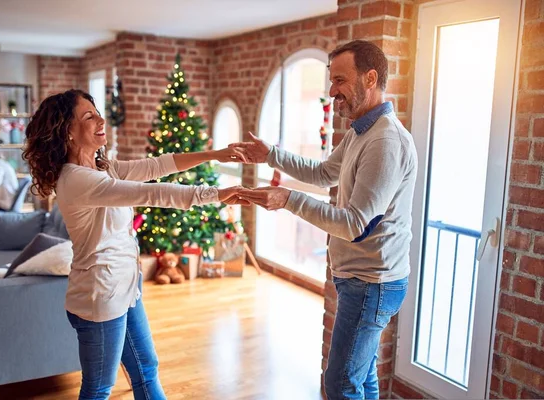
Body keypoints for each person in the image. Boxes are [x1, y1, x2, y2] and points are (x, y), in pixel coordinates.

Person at [22, 89, 247, 400]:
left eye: (97, 112)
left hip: (125, 288)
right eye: (89, 117)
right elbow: (150, 193)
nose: (101, 119)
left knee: (145, 370)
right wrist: (216, 195)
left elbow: (156, 166)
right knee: (99, 389)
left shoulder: (104, 167)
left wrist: (213, 154)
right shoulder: (76, 179)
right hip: (99, 298)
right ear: (67, 132)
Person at [233, 40, 418, 399]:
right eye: (331, 81)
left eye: (339, 80)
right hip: (362, 280)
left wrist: (287, 199)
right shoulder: (361, 132)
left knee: (340, 384)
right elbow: (322, 174)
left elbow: (354, 224)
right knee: (361, 380)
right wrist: (270, 154)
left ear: (371, 77)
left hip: (372, 284)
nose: (332, 91)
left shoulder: (386, 141)